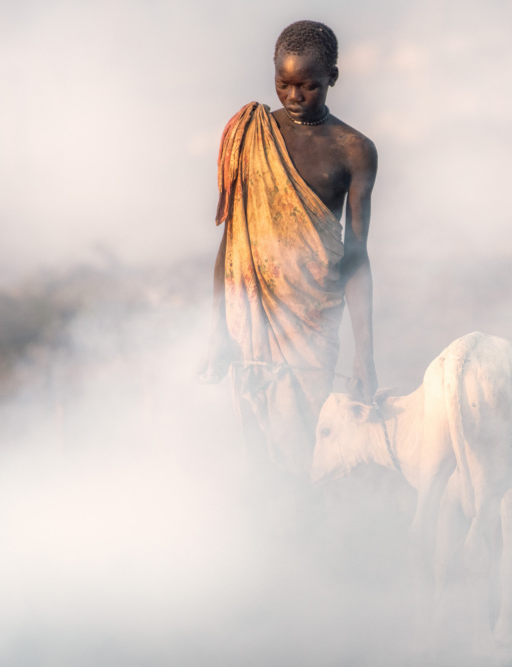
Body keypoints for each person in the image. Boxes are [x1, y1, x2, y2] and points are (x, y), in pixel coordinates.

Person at [199, 20, 378, 474]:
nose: (294, 96)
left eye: (308, 86)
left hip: (314, 320)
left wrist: (364, 353)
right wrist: (218, 330)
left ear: (333, 78)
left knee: (312, 455)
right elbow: (233, 242)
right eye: (283, 84)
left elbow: (356, 256)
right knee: (258, 453)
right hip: (251, 324)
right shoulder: (251, 134)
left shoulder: (354, 151)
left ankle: (314, 538)